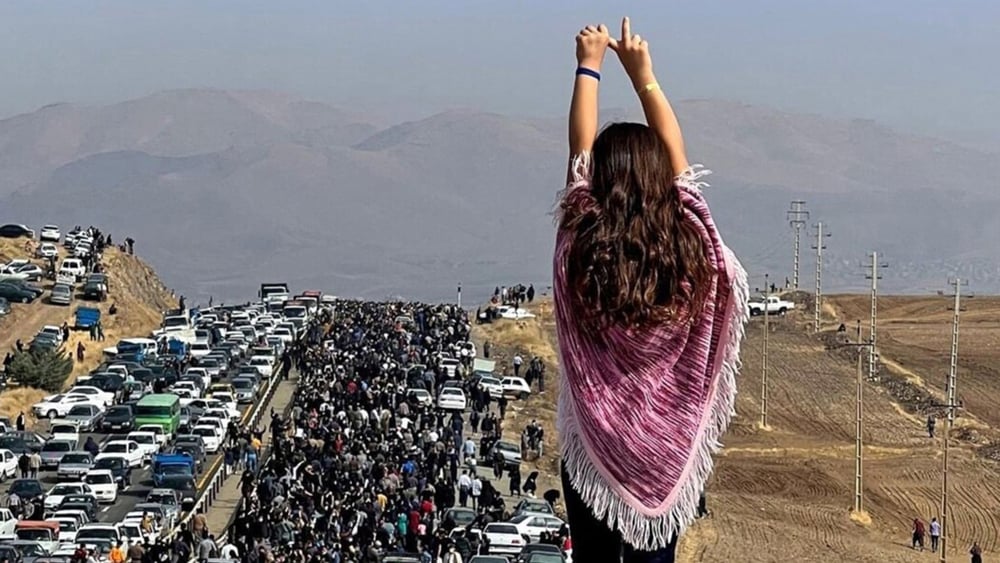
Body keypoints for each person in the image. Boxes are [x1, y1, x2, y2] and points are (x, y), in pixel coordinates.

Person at [554, 17, 747, 563]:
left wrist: (587, 65)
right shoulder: (693, 250)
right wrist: (645, 77)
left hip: (592, 445)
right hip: (667, 451)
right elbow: (683, 172)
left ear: (598, 185)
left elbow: (578, 157)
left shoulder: (581, 246)